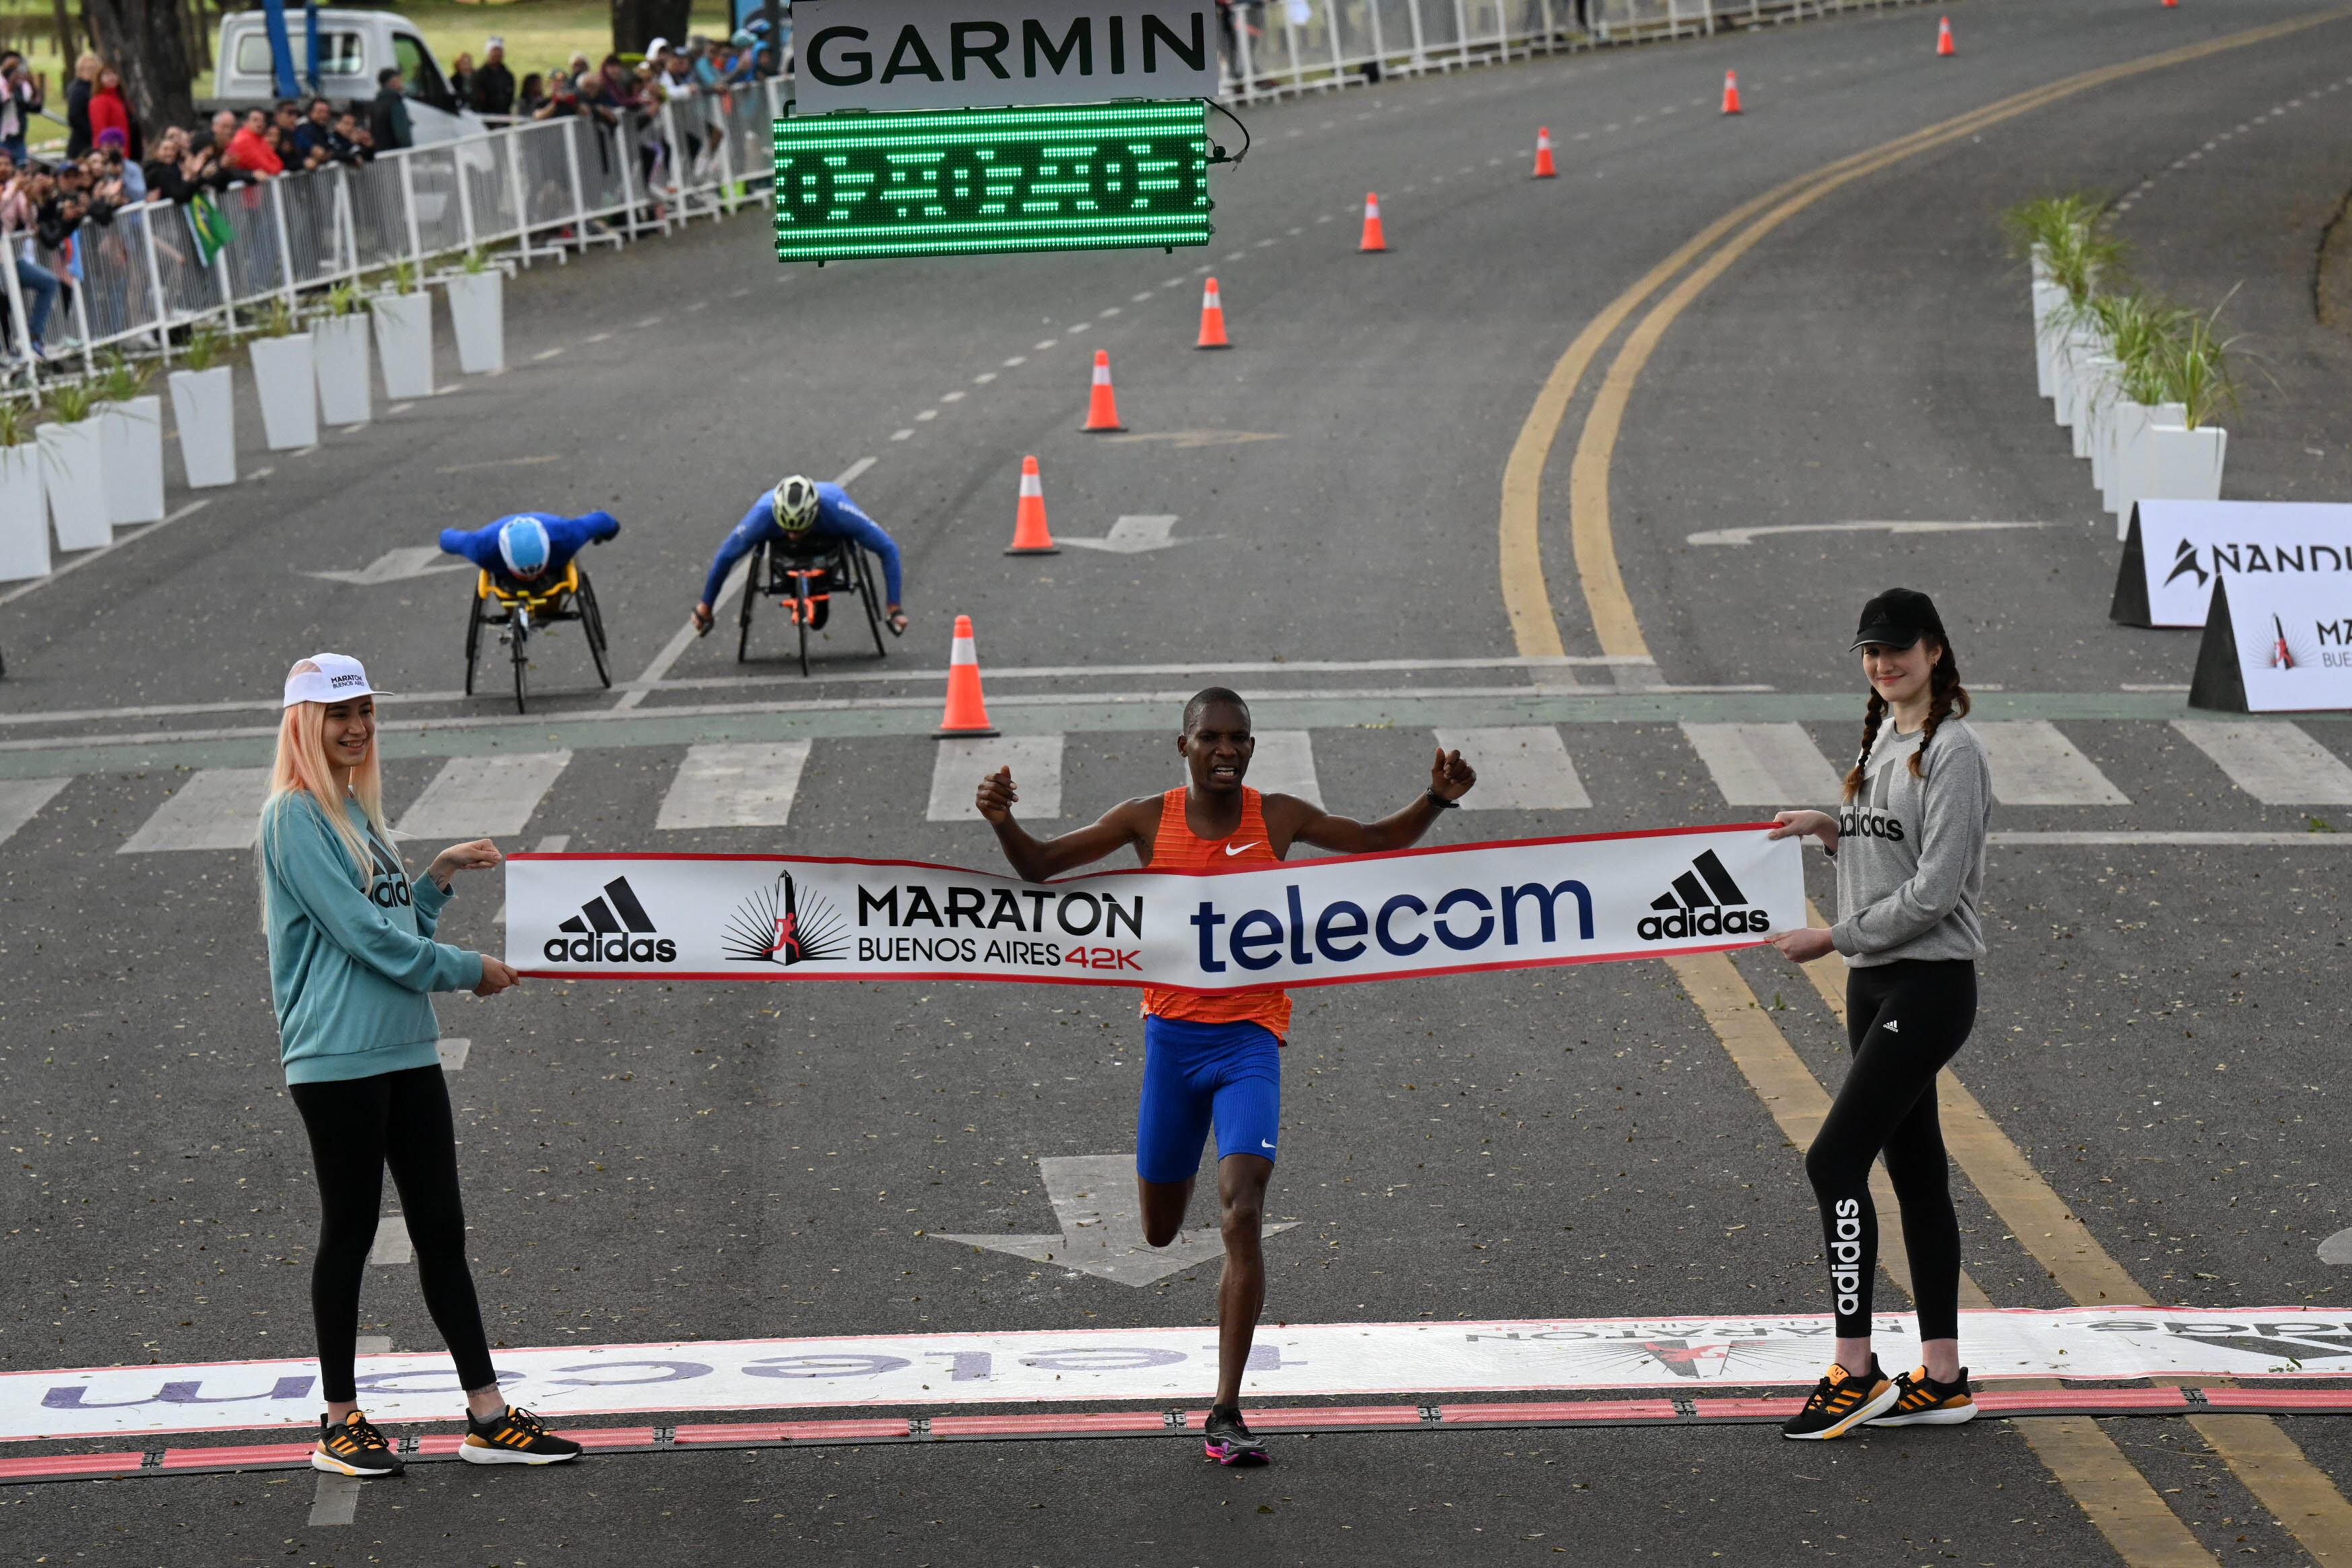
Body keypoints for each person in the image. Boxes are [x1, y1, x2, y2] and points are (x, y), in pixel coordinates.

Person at [975, 690, 1477, 1465]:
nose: (1225, 750)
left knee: (1243, 1211)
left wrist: (1435, 801)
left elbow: (1376, 841)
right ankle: (1214, 1368)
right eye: (1210, 737)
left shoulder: (1276, 817)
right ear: (1183, 744)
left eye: (1238, 739)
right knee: (1159, 1230)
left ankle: (1226, 1409)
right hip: (1174, 1047)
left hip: (1249, 1043)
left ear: (1251, 746)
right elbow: (1041, 866)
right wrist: (1003, 821)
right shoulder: (1147, 819)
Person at [259, 653, 582, 1476]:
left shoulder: (354, 813)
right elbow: (366, 941)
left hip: (404, 1048)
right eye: (339, 714)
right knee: (350, 1232)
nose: (357, 727)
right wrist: (470, 970)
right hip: (337, 1058)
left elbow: (393, 926)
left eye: (365, 711)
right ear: (304, 724)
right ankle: (339, 1423)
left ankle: (487, 1416)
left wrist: (434, 879)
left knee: (442, 1231)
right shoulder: (293, 817)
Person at [1766, 588, 1990, 1440]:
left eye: (1897, 649)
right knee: (1916, 1170)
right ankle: (1943, 1378)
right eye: (1870, 651)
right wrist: (1833, 830)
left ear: (1935, 651)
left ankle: (1854, 1371)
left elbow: (1935, 890)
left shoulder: (1954, 752)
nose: (1882, 663)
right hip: (1874, 986)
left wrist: (1835, 937)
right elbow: (1888, 852)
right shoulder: (1884, 736)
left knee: (1834, 1161)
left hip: (1928, 987)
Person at [689, 474, 905, 639]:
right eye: (788, 530)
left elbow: (887, 548)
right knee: (748, 549)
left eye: (800, 530)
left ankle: (821, 583)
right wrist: (705, 606)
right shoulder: (762, 515)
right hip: (783, 552)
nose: (794, 537)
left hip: (828, 540)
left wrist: (894, 607)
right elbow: (726, 556)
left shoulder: (838, 510)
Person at [438, 510, 620, 593]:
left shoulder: (566, 537)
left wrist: (609, 533)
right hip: (496, 542)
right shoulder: (483, 549)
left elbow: (604, 520)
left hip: (553, 538)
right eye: (525, 575)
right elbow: (447, 539)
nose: (532, 579)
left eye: (537, 572)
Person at [0, 53, 43, 166]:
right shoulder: (2, 86)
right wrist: (9, 89)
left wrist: (32, 84)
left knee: (22, 170)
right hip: (3, 140)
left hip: (19, 139)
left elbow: (36, 108)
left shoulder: (22, 87)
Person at [87, 65, 133, 158]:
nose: (112, 77)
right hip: (111, 151)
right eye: (107, 74)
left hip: (125, 148)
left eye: (114, 73)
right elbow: (100, 130)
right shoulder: (99, 101)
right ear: (100, 79)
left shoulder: (120, 99)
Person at [226, 108, 283, 177]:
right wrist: (275, 169)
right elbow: (266, 168)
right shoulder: (243, 140)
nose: (260, 124)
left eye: (262, 121)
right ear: (245, 123)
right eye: (255, 120)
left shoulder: (259, 139)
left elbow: (278, 163)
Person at [63, 51, 98, 160]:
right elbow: (74, 116)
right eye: (85, 68)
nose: (89, 71)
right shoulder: (79, 90)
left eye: (92, 68)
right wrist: (93, 132)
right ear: (79, 70)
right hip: (82, 146)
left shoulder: (94, 88)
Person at [371, 67, 413, 153]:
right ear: (393, 81)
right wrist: (410, 151)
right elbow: (402, 135)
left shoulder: (375, 104)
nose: (402, 82)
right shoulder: (395, 103)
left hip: (381, 155)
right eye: (400, 79)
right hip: (397, 155)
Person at [473, 37, 516, 116]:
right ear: (488, 52)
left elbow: (510, 98)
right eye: (494, 50)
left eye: (500, 51)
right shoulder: (479, 75)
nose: (497, 54)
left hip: (504, 117)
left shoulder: (508, 76)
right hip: (485, 116)